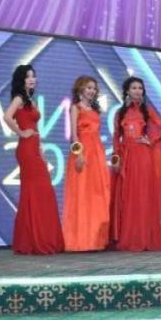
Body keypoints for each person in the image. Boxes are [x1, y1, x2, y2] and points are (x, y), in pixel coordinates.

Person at [3, 64, 64, 254]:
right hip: (26, 149)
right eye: (28, 76)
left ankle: (36, 238)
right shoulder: (19, 98)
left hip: (35, 148)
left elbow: (36, 128)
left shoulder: (30, 99)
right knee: (35, 191)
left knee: (40, 191)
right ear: (21, 80)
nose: (32, 79)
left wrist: (41, 150)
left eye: (33, 76)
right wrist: (21, 132)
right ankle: (35, 240)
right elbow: (7, 116)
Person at [110, 76, 161, 251]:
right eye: (134, 88)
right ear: (127, 91)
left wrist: (150, 140)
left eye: (140, 88)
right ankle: (131, 236)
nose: (138, 91)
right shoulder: (120, 113)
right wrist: (115, 159)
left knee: (143, 196)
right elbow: (116, 137)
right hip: (126, 157)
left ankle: (145, 237)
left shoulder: (147, 111)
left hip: (143, 156)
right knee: (129, 197)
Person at [62, 76, 110, 252]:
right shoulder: (75, 108)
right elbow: (74, 135)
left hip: (97, 153)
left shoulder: (96, 110)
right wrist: (79, 153)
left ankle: (95, 239)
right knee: (81, 194)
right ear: (81, 89)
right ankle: (80, 239)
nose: (92, 91)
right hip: (83, 151)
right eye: (89, 87)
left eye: (94, 88)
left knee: (96, 195)